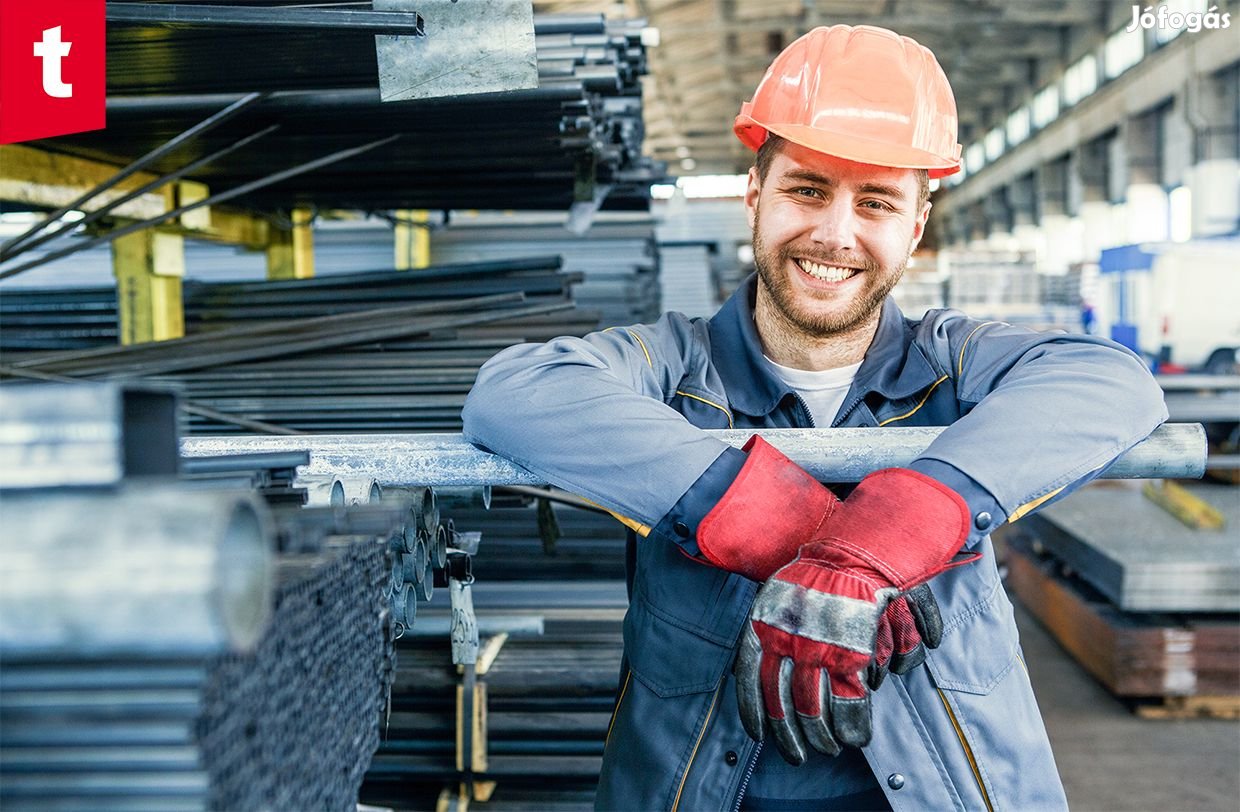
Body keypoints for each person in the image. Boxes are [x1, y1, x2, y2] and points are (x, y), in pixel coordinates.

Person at [462, 24, 1166, 812]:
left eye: (875, 202)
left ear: (916, 226)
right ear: (755, 194)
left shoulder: (956, 364)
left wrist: (892, 533)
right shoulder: (669, 367)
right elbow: (514, 390)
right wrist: (789, 531)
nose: (835, 234)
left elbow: (1113, 381)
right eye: (807, 189)